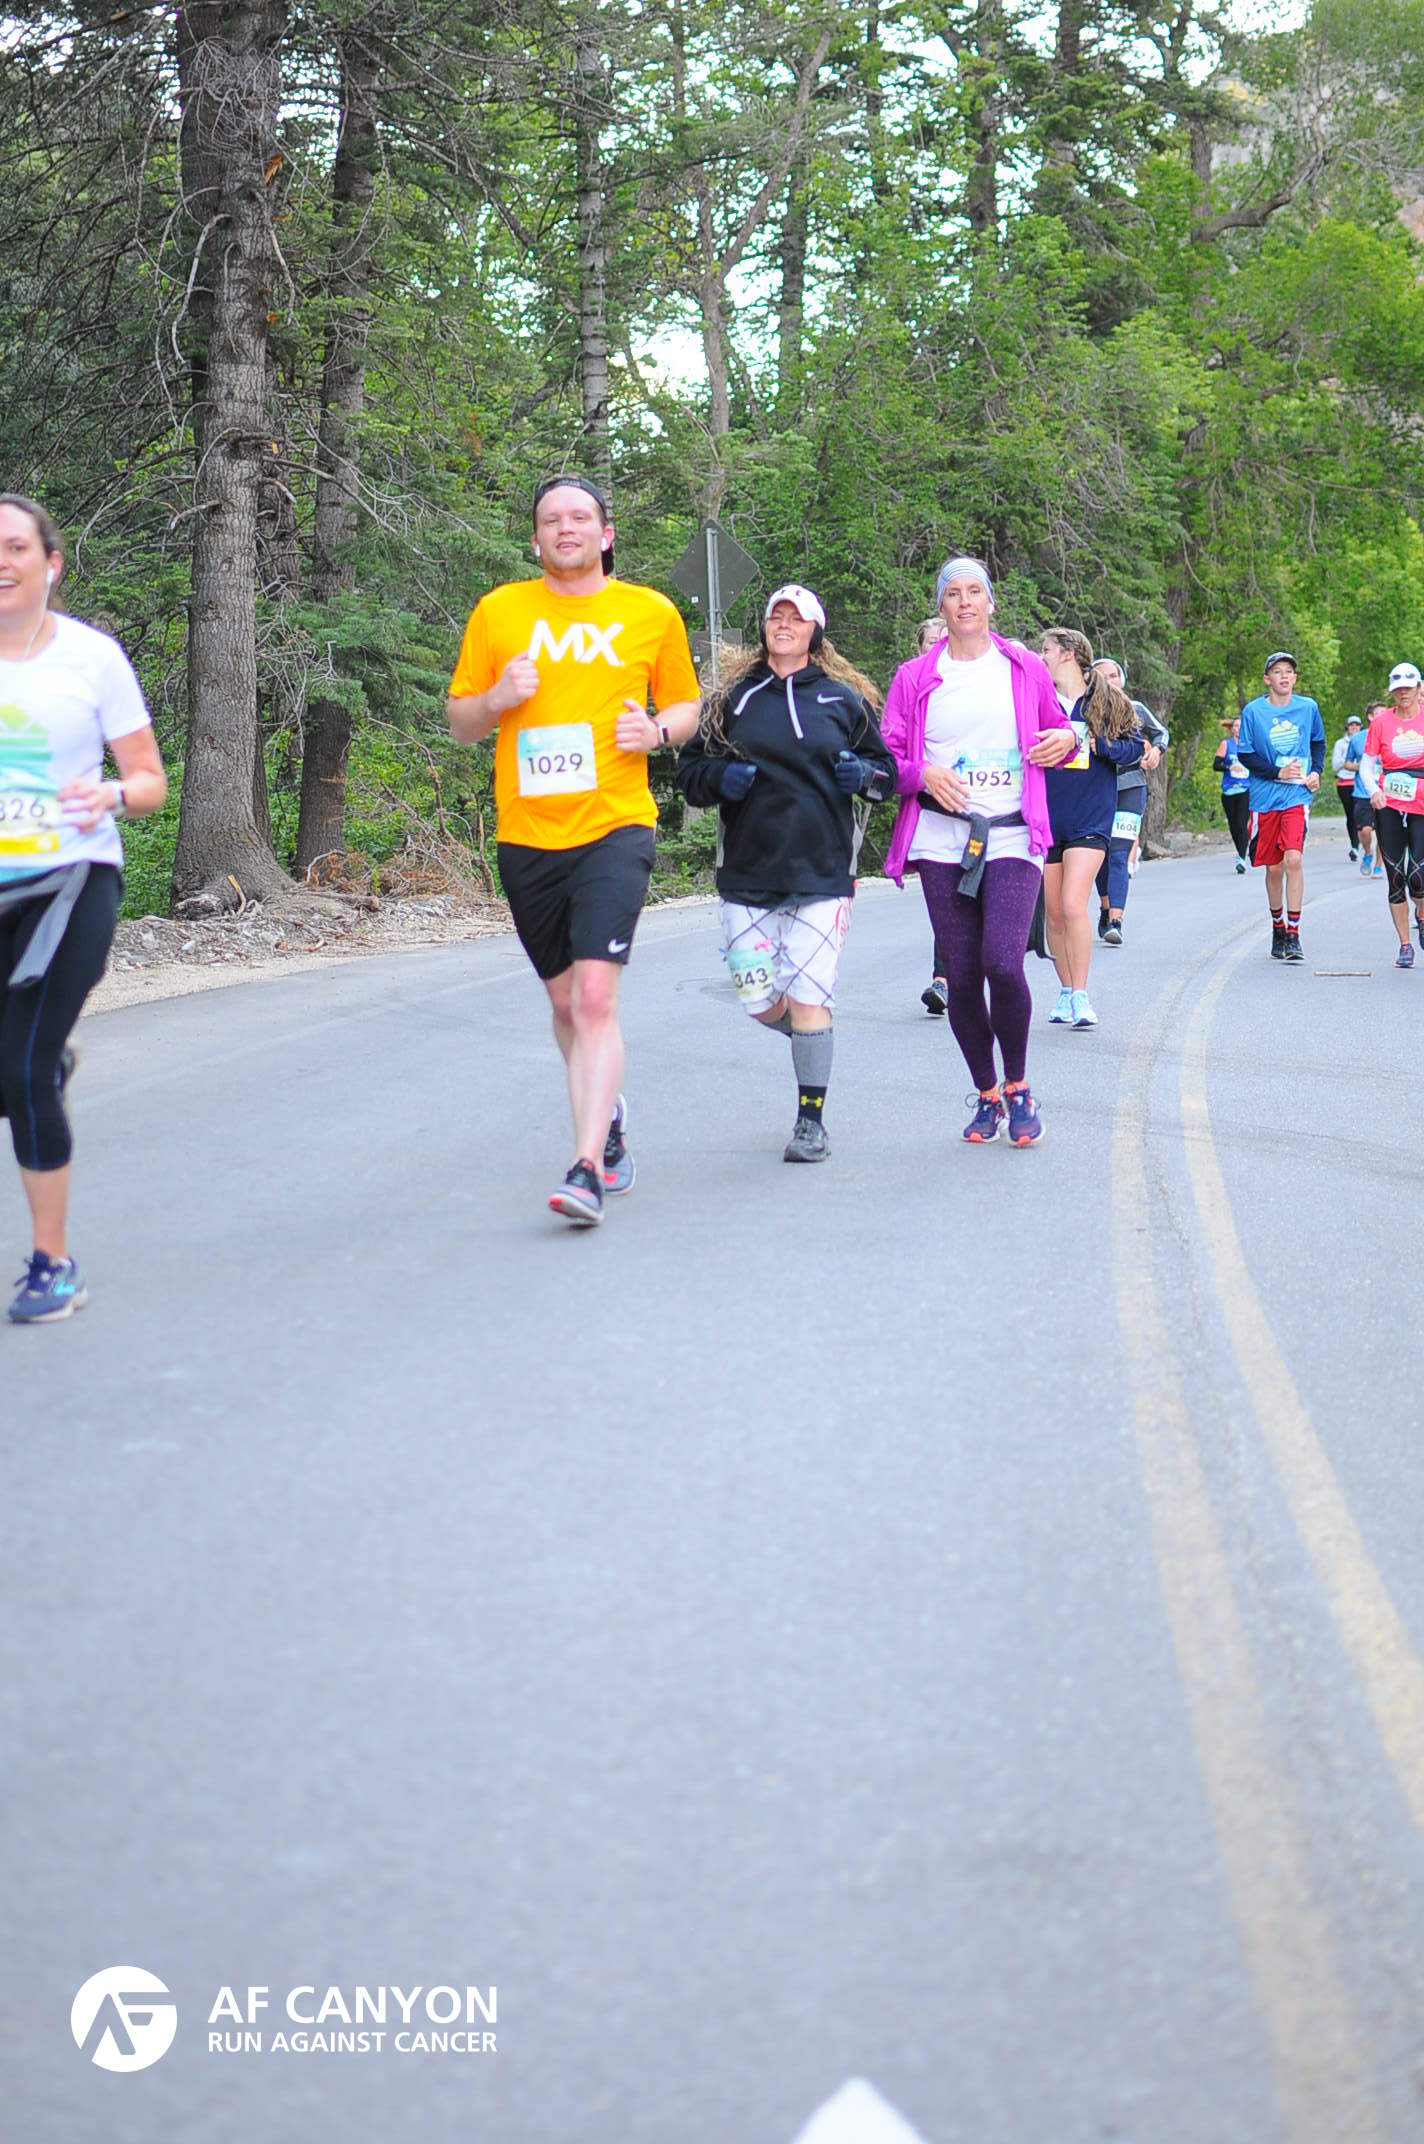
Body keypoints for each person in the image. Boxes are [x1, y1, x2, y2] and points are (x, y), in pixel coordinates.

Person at [446, 474, 700, 1225]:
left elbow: (685, 703)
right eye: (552, 519)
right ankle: (607, 1110)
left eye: (581, 517)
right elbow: (460, 722)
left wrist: (657, 731)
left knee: (593, 997)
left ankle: (586, 1164)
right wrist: (497, 700)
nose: (567, 528)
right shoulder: (500, 611)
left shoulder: (649, 612)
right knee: (563, 1002)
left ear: (606, 534)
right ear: (535, 539)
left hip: (616, 825)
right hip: (528, 834)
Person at [0, 494, 167, 1322]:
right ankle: (43, 1068)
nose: (1, 562)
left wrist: (111, 794)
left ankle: (52, 1263)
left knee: (23, 1070)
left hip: (71, 881)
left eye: (15, 547)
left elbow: (150, 781)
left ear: (50, 562)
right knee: (19, 1070)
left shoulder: (92, 659)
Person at [675, 587, 894, 1162]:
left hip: (823, 873)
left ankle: (810, 1122)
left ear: (814, 633)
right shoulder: (733, 700)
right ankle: (811, 1034)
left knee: (809, 993)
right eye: (777, 615)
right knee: (756, 999)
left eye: (797, 618)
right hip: (747, 872)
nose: (785, 623)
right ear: (766, 627)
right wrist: (719, 781)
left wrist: (862, 776)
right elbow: (690, 772)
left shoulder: (843, 701)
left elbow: (886, 773)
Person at [881, 558, 1077, 1146]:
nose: (965, 601)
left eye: (974, 591)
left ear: (991, 602)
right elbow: (886, 759)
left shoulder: (1024, 666)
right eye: (953, 593)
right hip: (943, 839)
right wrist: (921, 774)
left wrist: (1069, 738)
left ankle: (1019, 1086)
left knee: (1003, 963)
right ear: (941, 606)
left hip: (1013, 834)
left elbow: (1062, 734)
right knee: (963, 976)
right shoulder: (915, 677)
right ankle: (987, 1093)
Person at [1038, 628, 1144, 1026]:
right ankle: (1065, 991)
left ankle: (1082, 995)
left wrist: (1101, 745)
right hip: (1047, 815)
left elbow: (1135, 748)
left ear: (1068, 654)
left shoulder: (1106, 699)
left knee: (1072, 904)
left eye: (1046, 650)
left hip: (1091, 815)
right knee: (1053, 915)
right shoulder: (1040, 698)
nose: (1041, 656)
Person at [1235, 650, 1325, 961]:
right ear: (1267, 679)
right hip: (1264, 798)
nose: (1284, 676)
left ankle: (1294, 934)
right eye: (1277, 671)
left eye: (1289, 671)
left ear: (1295, 678)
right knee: (1274, 868)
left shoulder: (1308, 707)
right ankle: (1277, 926)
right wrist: (1277, 772)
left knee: (1294, 859)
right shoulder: (1253, 711)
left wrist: (1316, 772)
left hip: (1297, 795)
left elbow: (1317, 743)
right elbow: (1245, 753)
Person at [1091, 656, 1168, 945]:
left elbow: (1161, 733)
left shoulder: (1135, 709)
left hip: (1131, 786)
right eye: (1102, 676)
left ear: (1121, 679)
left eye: (1114, 675)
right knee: (1099, 854)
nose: (1109, 681)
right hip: (1096, 789)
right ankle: (1105, 906)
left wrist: (1156, 751)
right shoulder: (1085, 710)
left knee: (1119, 854)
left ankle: (1116, 921)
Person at [1359, 662, 1424, 969]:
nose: (1403, 694)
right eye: (1398, 690)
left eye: (1408, 688)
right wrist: (1373, 789)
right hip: (1389, 803)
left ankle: (1421, 913)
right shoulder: (1381, 722)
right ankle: (1405, 945)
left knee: (1419, 876)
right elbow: (1367, 764)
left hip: (1422, 804)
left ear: (1419, 689)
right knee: (1396, 876)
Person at [913, 615, 952, 1016]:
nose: (939, 646)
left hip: (981, 811)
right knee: (948, 906)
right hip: (931, 809)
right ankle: (943, 980)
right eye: (931, 641)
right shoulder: (911, 686)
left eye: (945, 639)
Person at [1213, 715, 1251, 872]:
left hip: (1245, 789)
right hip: (1229, 790)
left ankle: (1241, 859)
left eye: (1241, 726)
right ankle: (1240, 851)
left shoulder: (1250, 745)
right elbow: (1216, 765)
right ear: (1232, 729)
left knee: (1242, 823)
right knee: (1234, 825)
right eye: (1236, 726)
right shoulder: (1226, 744)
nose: (1238, 729)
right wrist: (1230, 767)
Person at [1352, 707, 1386, 879]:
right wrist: (1364, 767)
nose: (1383, 717)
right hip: (1363, 792)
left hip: (1386, 792)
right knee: (1365, 831)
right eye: (1379, 713)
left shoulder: (1393, 733)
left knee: (1383, 832)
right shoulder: (1357, 739)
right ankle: (1368, 853)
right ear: (1370, 716)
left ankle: (1378, 865)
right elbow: (1347, 763)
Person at [1331, 711, 1365, 860]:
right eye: (1351, 725)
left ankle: (1362, 842)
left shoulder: (1365, 740)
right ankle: (1354, 846)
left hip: (1361, 782)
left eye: (1357, 725)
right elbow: (1335, 765)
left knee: (1360, 814)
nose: (1354, 727)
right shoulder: (1341, 743)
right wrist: (1350, 763)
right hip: (1345, 782)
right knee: (1351, 815)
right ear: (1347, 727)